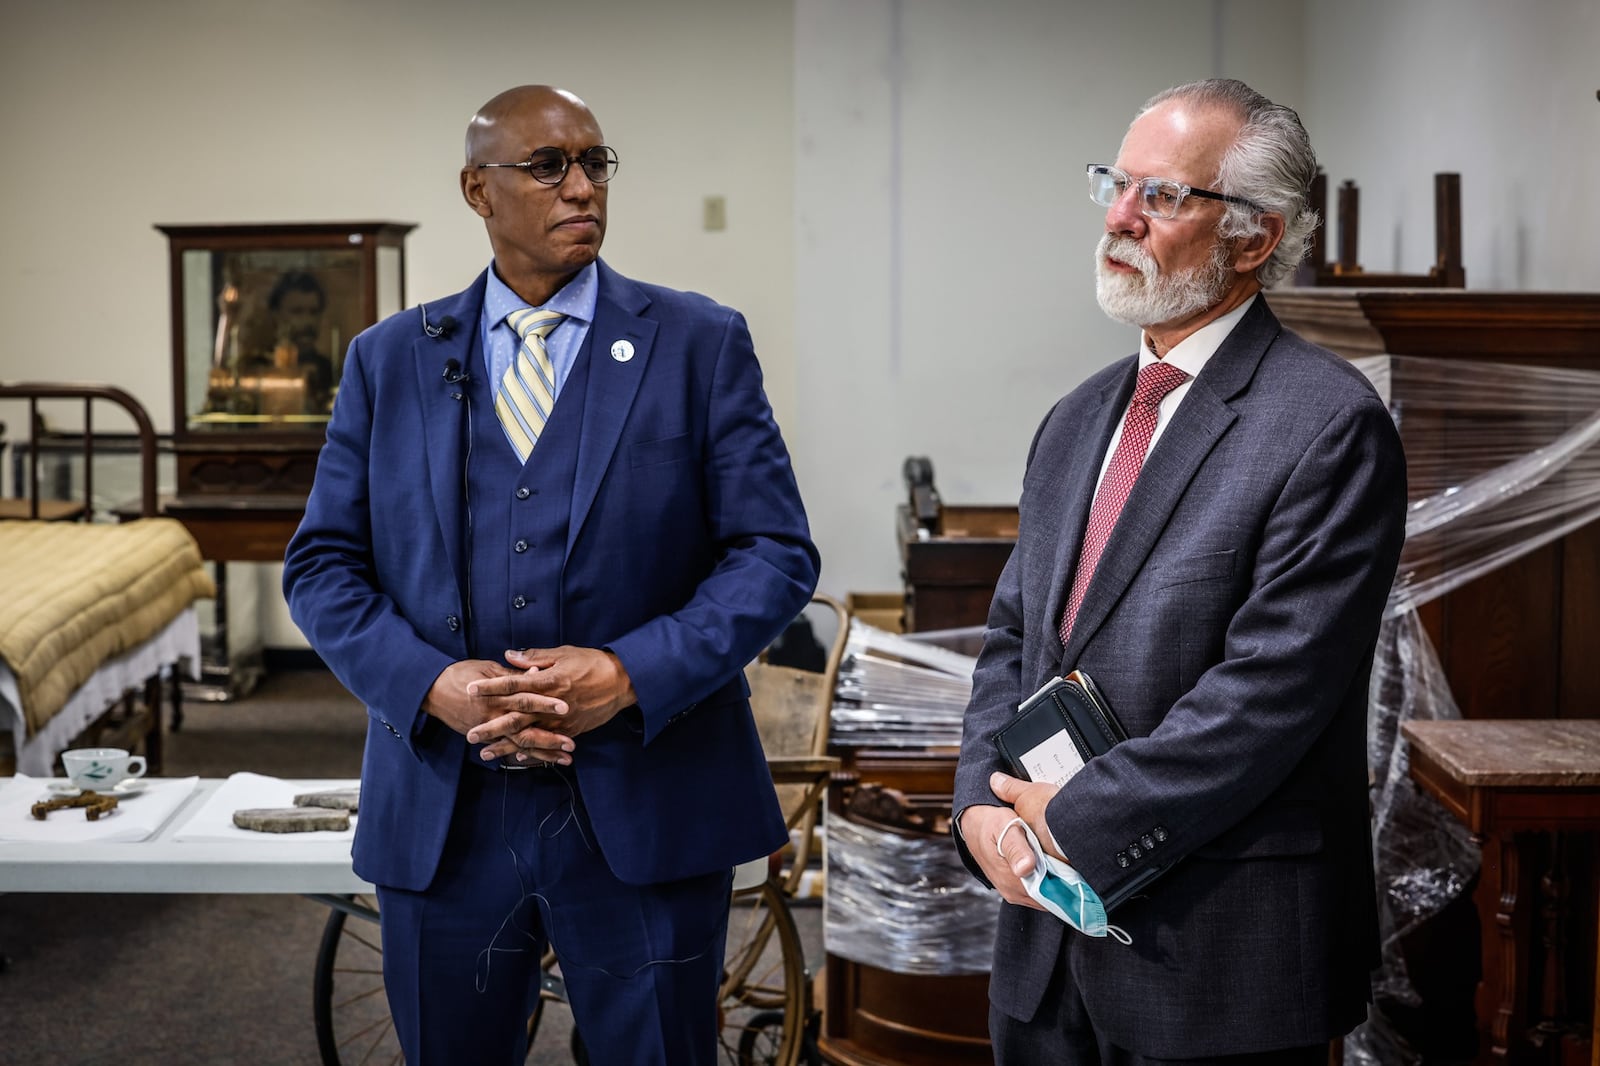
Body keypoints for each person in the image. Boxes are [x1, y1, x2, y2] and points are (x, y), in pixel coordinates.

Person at [283, 85, 818, 1065]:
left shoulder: (698, 344)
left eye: (595, 163)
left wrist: (628, 674)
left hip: (649, 799)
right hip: (446, 814)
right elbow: (321, 567)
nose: (581, 186)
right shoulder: (388, 360)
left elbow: (775, 554)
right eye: (548, 166)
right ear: (477, 190)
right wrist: (428, 683)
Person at [951, 78, 1407, 1064]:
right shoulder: (1074, 419)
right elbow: (1011, 641)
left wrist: (1077, 818)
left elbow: (1266, 698)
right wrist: (978, 810)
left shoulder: (1327, 426)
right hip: (1041, 942)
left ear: (1252, 237)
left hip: (1215, 956)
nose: (1118, 216)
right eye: (1116, 184)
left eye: (1159, 196)